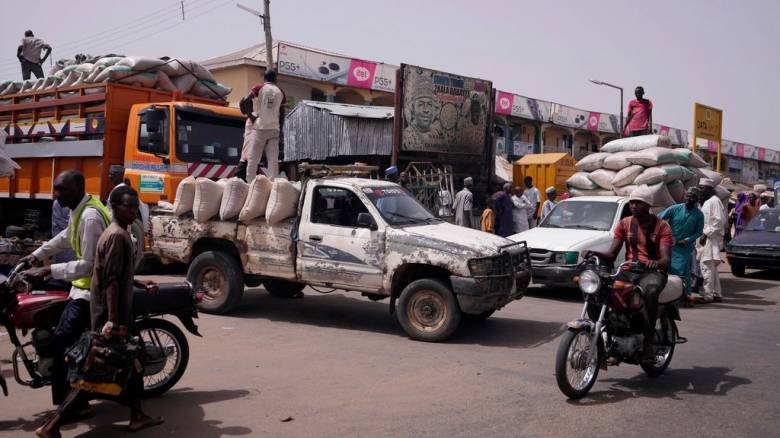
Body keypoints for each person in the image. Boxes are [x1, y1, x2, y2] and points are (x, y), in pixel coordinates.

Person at [35, 186, 164, 438]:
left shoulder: (115, 233)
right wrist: (114, 321)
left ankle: (137, 415)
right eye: (127, 206)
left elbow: (111, 273)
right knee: (96, 372)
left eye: (135, 207)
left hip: (114, 313)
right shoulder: (117, 236)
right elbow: (112, 281)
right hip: (112, 315)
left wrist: (138, 282)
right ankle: (52, 425)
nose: (132, 211)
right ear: (114, 207)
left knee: (134, 364)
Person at [21, 171, 111, 410]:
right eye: (56, 188)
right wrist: (35, 255)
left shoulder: (90, 217)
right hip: (80, 287)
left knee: (64, 344)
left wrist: (48, 270)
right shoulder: (78, 210)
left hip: (92, 293)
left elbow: (89, 265)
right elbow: (66, 237)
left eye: (63, 189)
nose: (57, 194)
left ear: (79, 189)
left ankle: (73, 405)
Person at [588, 185, 673, 362]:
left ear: (648, 205)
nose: (633, 206)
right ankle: (609, 336)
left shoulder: (662, 226)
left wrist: (655, 262)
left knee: (650, 291)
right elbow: (612, 254)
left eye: (638, 203)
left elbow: (666, 259)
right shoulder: (625, 223)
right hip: (629, 270)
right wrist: (594, 252)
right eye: (632, 202)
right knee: (599, 290)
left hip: (653, 272)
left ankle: (648, 344)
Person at [659, 188, 704, 300]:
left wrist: (687, 240)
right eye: (688, 196)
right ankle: (671, 294)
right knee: (670, 269)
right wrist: (665, 234)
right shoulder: (675, 208)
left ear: (697, 200)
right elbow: (660, 218)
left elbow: (699, 231)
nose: (689, 198)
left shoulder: (699, 215)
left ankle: (682, 295)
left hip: (685, 248)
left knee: (681, 271)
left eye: (692, 197)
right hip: (670, 245)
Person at [243, 69, 286, 181]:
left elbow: (246, 99)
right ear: (275, 79)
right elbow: (282, 113)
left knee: (253, 159)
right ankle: (272, 184)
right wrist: (280, 130)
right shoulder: (280, 91)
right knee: (273, 159)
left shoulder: (259, 87)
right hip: (274, 129)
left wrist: (251, 116)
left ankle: (250, 183)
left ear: (264, 78)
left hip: (260, 128)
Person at [697, 178, 728, 303]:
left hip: (710, 238)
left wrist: (705, 234)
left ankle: (708, 295)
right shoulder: (706, 202)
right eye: (699, 187)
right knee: (712, 269)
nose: (700, 190)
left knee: (706, 267)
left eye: (702, 188)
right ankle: (716, 294)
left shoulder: (714, 201)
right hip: (707, 238)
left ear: (710, 189)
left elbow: (719, 221)